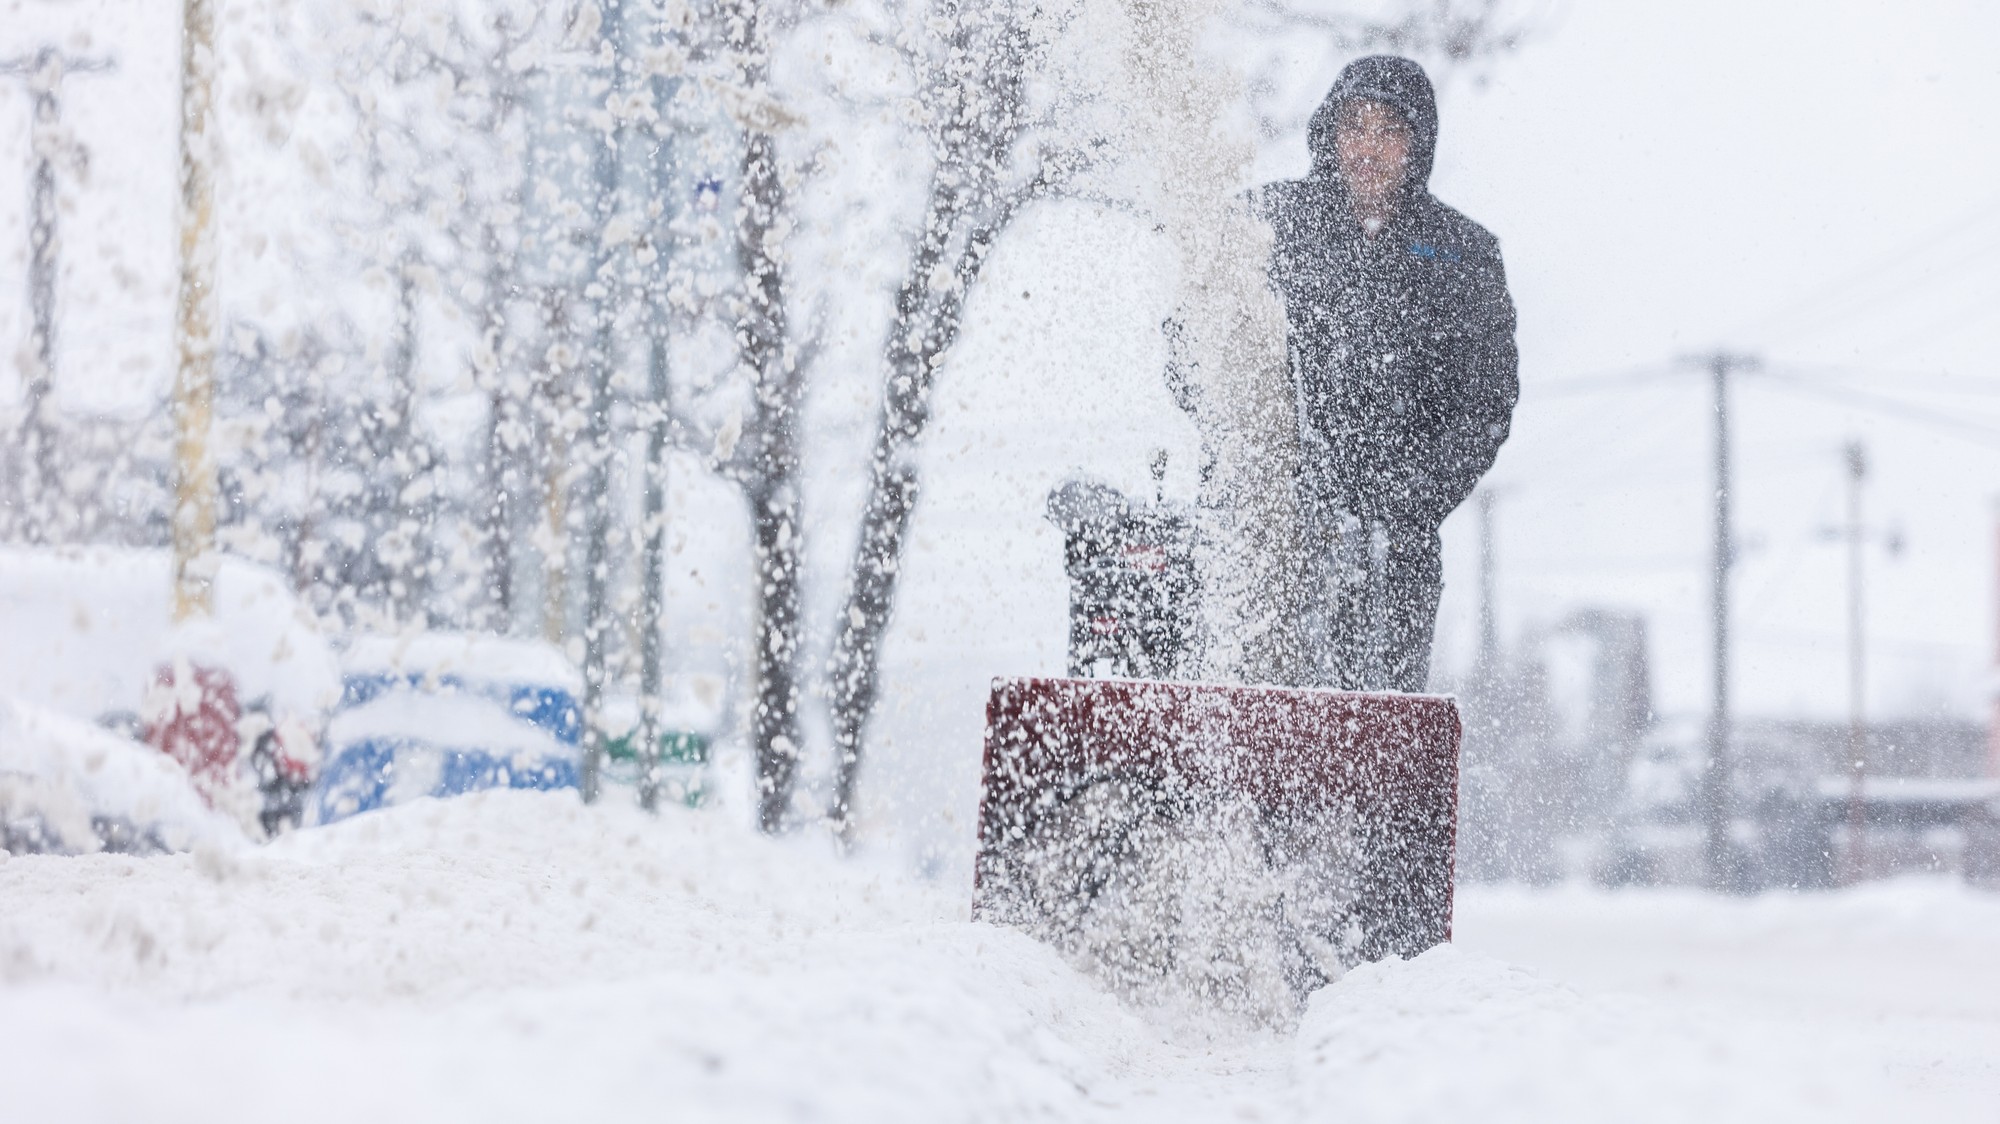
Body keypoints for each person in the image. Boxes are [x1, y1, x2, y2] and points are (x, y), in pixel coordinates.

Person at [1257, 55, 1518, 693]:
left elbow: (1486, 404)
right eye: (1355, 126)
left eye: (1389, 131)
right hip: (1270, 538)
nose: (1369, 148)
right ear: (1330, 132)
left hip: (1397, 558)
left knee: (1381, 727)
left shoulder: (1462, 255)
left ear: (1418, 143)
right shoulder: (1267, 225)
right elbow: (1196, 341)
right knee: (1262, 710)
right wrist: (1260, 470)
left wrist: (1409, 503)